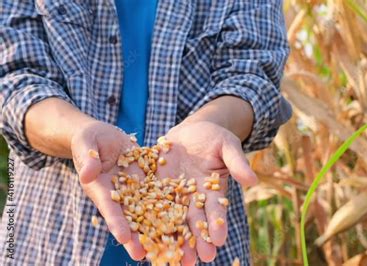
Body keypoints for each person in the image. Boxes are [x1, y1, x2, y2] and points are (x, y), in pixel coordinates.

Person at [0, 0, 291, 265]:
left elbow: (253, 78)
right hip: (48, 237)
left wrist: (214, 124)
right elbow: (15, 79)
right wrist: (78, 133)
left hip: (199, 230)